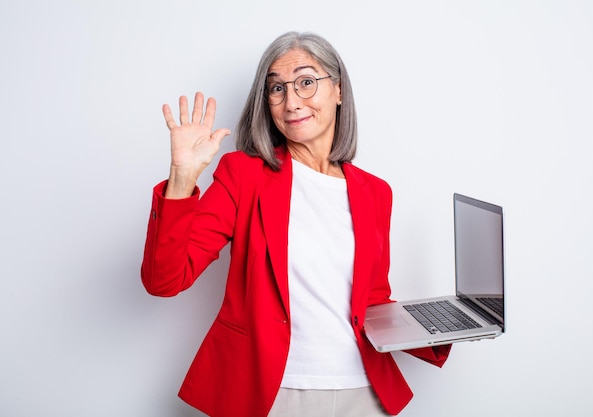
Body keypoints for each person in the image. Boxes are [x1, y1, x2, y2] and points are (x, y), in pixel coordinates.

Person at [141, 31, 451, 417]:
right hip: (271, 392)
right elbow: (165, 280)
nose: (291, 102)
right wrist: (181, 179)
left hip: (364, 391)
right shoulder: (244, 174)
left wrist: (440, 325)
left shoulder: (375, 192)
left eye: (306, 82)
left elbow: (371, 300)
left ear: (338, 90)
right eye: (276, 89)